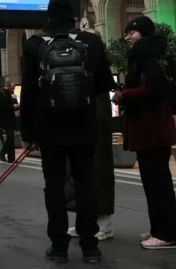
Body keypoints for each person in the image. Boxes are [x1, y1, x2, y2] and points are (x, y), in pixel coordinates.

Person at [20, 0, 115, 264]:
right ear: (74, 16)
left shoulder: (34, 45)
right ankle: (90, 246)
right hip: (84, 126)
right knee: (86, 183)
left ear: (48, 17)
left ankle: (59, 246)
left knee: (54, 184)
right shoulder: (91, 42)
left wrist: (27, 132)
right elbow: (104, 85)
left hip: (49, 128)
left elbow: (28, 92)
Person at [112, 16, 176, 250]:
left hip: (153, 130)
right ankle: (158, 230)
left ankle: (166, 234)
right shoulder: (148, 55)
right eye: (127, 32)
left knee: (158, 185)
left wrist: (124, 95)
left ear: (143, 33)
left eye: (132, 32)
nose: (127, 37)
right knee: (153, 184)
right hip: (150, 130)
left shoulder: (147, 56)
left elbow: (152, 89)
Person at [65, 28, 116, 241]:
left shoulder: (96, 62)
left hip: (94, 110)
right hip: (83, 109)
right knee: (78, 168)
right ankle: (85, 221)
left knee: (98, 165)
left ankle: (103, 223)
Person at [0, 79, 19, 163]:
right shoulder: (1, 93)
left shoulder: (6, 93)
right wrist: (12, 106)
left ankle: (10, 158)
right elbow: (1, 107)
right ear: (8, 86)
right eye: (12, 88)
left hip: (9, 119)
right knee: (10, 138)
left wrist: (16, 107)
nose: (13, 90)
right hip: (5, 119)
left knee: (10, 138)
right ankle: (4, 153)